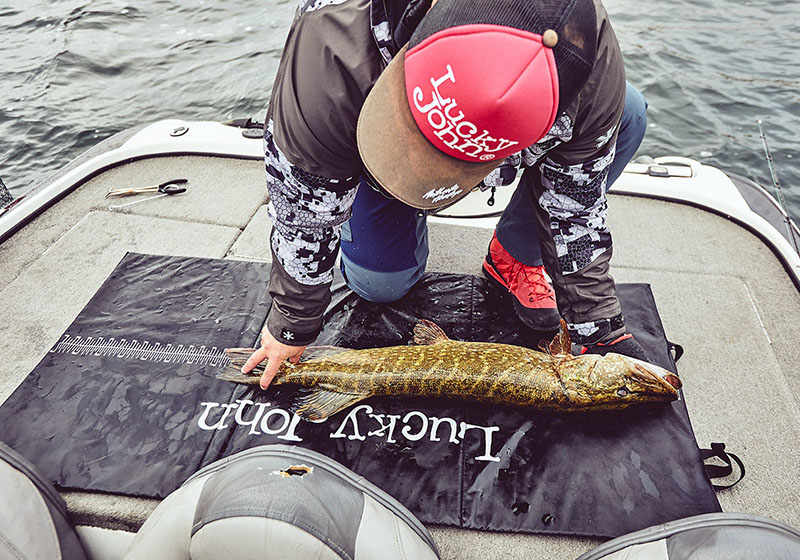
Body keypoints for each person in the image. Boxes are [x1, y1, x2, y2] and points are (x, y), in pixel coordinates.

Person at [243, 0, 650, 389]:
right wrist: (293, 321)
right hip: (371, 160)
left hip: (516, 138)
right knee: (380, 286)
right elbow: (303, 207)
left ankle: (516, 255)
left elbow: (574, 210)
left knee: (628, 111)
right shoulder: (330, 42)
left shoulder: (593, 69)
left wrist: (601, 331)